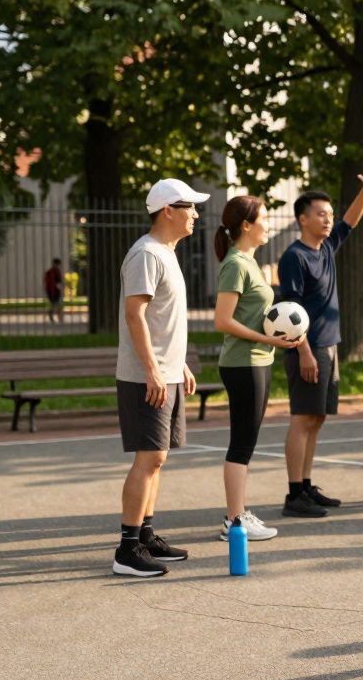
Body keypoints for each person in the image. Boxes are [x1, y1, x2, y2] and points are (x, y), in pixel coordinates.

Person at [111, 178, 208, 577]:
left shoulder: (166, 252)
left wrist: (178, 362)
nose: (196, 214)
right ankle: (127, 549)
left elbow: (161, 320)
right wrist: (153, 368)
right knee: (148, 458)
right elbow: (135, 314)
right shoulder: (146, 254)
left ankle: (147, 536)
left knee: (159, 459)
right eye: (190, 207)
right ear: (168, 210)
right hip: (145, 376)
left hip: (166, 372)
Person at [277, 164, 363, 518]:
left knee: (316, 418)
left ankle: (306, 485)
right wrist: (304, 351)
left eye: (329, 215)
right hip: (309, 348)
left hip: (328, 346)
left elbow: (349, 221)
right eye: (321, 214)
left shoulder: (326, 247)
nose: (327, 220)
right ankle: (293, 495)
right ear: (303, 219)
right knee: (302, 418)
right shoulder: (294, 256)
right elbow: (289, 309)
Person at [212, 195, 303, 542]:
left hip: (258, 360)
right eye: (264, 217)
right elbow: (223, 320)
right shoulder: (235, 263)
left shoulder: (250, 262)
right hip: (242, 363)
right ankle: (234, 521)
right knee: (242, 444)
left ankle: (239, 513)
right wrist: (271, 340)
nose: (269, 223)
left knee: (246, 443)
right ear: (246, 225)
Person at [43, 258, 64, 323]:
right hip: (54, 289)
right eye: (58, 264)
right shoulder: (55, 271)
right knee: (56, 304)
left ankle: (54, 316)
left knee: (54, 304)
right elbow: (59, 281)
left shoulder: (49, 271)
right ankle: (58, 317)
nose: (58, 265)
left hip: (50, 289)